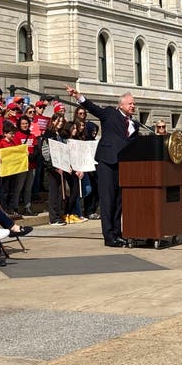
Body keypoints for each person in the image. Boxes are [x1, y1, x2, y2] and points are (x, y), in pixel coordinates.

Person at [65, 85, 137, 247]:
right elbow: (93, 108)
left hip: (123, 165)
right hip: (107, 162)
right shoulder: (111, 113)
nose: (133, 106)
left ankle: (118, 233)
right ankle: (109, 236)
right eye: (130, 103)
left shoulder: (134, 124)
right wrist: (78, 96)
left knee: (119, 201)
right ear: (121, 105)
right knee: (108, 199)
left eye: (134, 104)